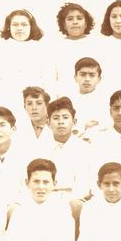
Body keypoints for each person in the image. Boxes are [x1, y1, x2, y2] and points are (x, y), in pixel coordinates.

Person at [36, 97, 91, 230]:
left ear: (74, 121)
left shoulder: (85, 149)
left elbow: (84, 183)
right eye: (56, 118)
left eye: (65, 117)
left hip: (73, 199)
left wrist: (64, 202)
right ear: (48, 123)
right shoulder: (38, 149)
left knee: (76, 207)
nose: (61, 122)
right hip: (45, 196)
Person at [0, 9, 52, 118]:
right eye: (15, 25)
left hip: (35, 104)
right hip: (7, 101)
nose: (19, 28)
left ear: (31, 27)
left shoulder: (42, 50)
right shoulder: (0, 50)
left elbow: (49, 79)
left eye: (24, 25)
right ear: (8, 27)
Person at [53, 2, 102, 96]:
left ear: (86, 23)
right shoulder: (57, 47)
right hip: (64, 97)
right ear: (63, 24)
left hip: (93, 96)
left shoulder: (97, 45)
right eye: (70, 19)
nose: (75, 22)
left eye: (79, 18)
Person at [66, 57, 109, 138]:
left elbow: (104, 128)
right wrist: (84, 126)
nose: (87, 79)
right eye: (83, 74)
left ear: (99, 79)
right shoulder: (68, 101)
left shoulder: (105, 102)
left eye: (92, 75)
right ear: (75, 77)